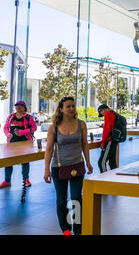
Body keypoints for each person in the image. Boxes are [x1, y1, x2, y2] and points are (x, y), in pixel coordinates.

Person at [43, 96, 93, 235]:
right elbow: (49, 149)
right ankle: (65, 229)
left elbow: (84, 144)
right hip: (59, 166)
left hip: (77, 165)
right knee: (61, 199)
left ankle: (78, 229)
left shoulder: (81, 124)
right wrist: (46, 169)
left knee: (76, 197)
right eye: (68, 106)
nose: (71, 109)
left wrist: (88, 162)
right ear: (61, 109)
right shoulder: (54, 127)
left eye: (73, 106)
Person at [0, 101, 37, 188]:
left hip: (25, 142)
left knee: (25, 162)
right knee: (8, 162)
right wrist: (8, 134)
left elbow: (34, 128)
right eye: (17, 106)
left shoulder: (29, 117)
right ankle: (7, 181)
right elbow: (5, 127)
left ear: (24, 107)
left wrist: (22, 132)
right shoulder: (11, 116)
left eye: (20, 106)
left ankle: (26, 180)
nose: (18, 107)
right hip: (12, 143)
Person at [97, 104, 119, 173]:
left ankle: (104, 180)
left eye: (101, 113)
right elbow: (112, 126)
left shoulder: (108, 114)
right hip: (115, 140)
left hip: (109, 141)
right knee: (112, 163)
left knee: (101, 163)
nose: (103, 115)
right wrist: (104, 125)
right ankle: (113, 180)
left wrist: (103, 142)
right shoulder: (115, 113)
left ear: (103, 109)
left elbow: (107, 130)